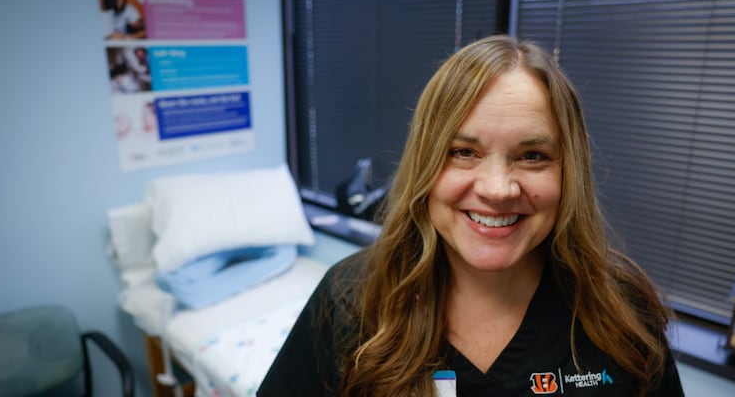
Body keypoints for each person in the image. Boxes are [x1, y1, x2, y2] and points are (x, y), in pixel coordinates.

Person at [258, 35, 684, 396]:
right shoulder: (350, 299)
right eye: (463, 153)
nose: (497, 189)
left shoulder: (623, 312)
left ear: (567, 171)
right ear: (426, 164)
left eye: (532, 156)